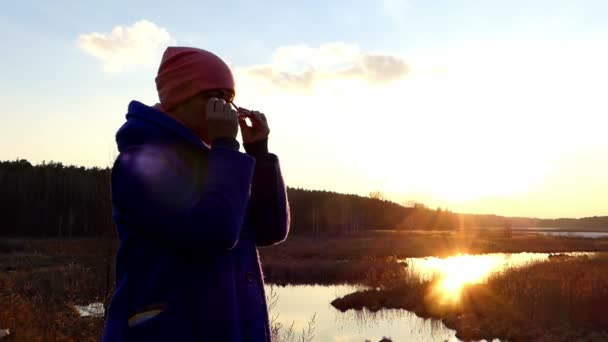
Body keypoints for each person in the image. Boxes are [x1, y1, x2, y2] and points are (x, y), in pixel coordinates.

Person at [102, 46, 290, 341]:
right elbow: (214, 232)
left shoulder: (214, 163)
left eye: (228, 101)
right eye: (213, 98)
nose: (224, 111)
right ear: (180, 97)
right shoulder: (140, 164)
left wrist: (259, 153)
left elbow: (270, 230)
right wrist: (227, 146)